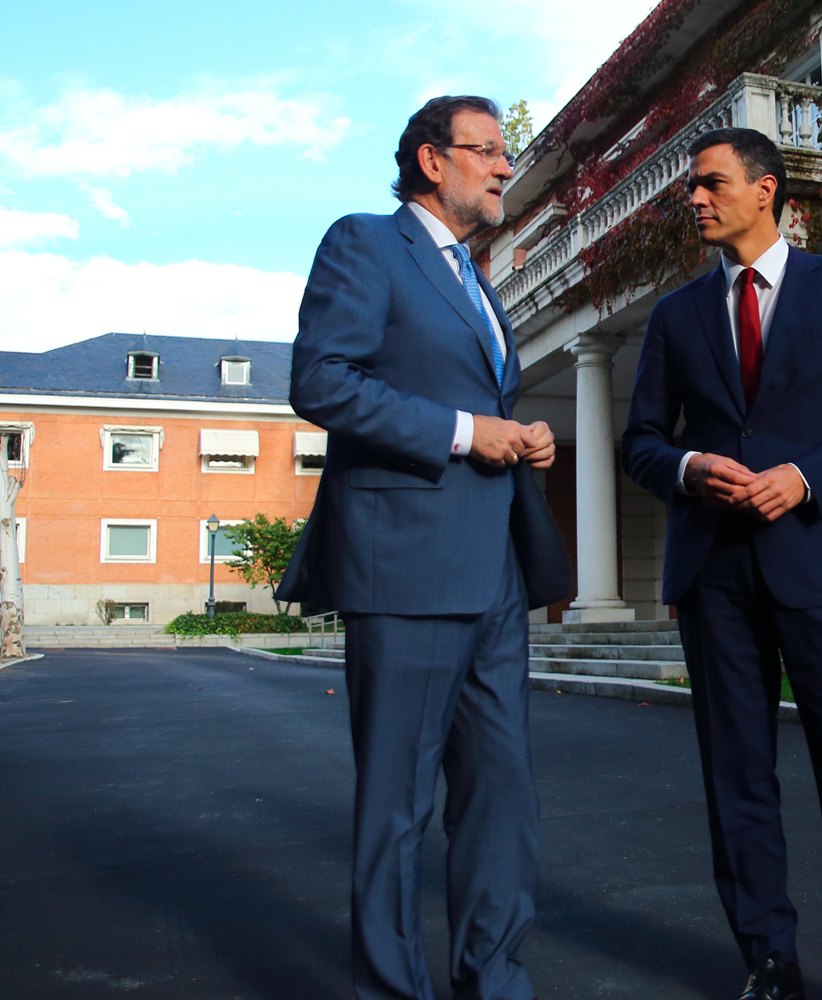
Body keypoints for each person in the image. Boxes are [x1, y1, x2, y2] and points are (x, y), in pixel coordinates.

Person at [278, 94, 572, 1000]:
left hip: (494, 571)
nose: (502, 167)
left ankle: (495, 982)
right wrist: (461, 431)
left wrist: (516, 433)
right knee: (398, 809)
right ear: (430, 160)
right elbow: (321, 380)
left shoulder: (478, 282)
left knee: (502, 800)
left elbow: (468, 396)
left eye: (504, 153)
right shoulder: (366, 243)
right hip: (403, 565)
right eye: (486, 151)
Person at [621, 127, 822, 1000]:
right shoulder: (677, 316)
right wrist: (686, 468)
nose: (695, 200)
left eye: (711, 184)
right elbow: (639, 441)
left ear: (767, 190)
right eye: (692, 189)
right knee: (737, 775)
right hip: (715, 576)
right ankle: (769, 959)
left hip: (821, 566)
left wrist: (805, 476)